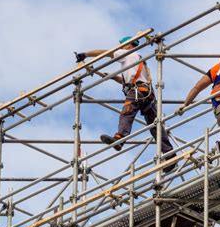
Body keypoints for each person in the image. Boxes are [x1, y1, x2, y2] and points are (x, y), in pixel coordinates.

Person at [75, 36, 177, 173]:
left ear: (129, 45)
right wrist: (112, 76)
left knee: (127, 113)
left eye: (122, 46)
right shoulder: (138, 59)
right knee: (155, 126)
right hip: (147, 94)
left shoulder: (127, 53)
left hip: (137, 92)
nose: (121, 48)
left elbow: (106, 53)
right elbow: (129, 81)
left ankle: (120, 138)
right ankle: (170, 155)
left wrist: (85, 54)